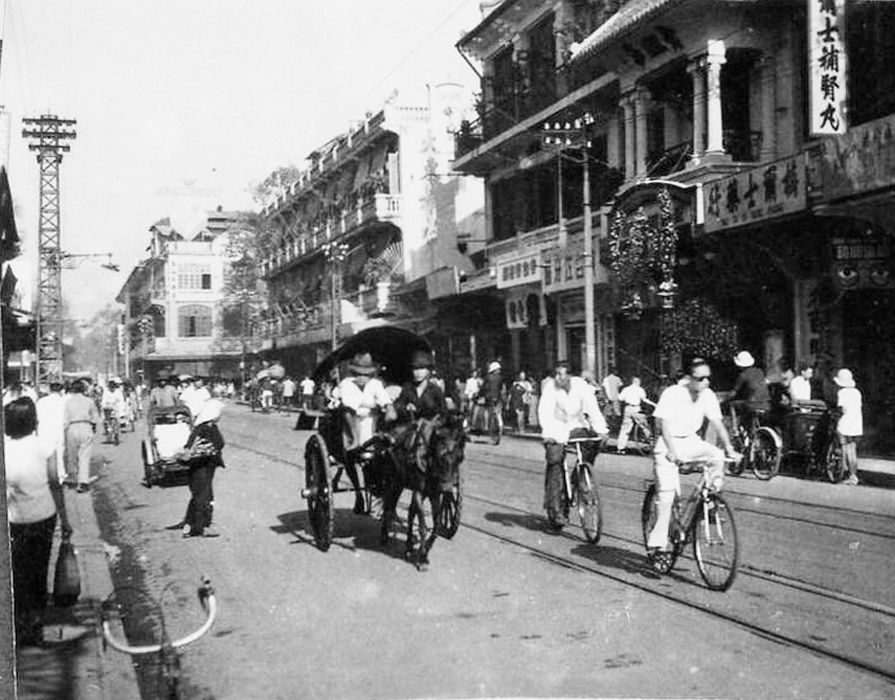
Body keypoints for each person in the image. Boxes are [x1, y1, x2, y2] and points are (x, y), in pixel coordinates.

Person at [645, 358, 740, 570]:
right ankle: (660, 545)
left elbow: (717, 422)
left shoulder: (707, 395)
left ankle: (711, 499)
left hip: (691, 441)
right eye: (700, 378)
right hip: (668, 445)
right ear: (689, 378)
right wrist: (672, 451)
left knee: (716, 454)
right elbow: (664, 427)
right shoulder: (672, 393)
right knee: (667, 498)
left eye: (708, 378)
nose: (705, 382)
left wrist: (730, 448)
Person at [5, 397, 72, 646]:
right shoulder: (45, 445)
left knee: (17, 571)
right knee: (39, 570)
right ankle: (35, 625)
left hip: (14, 520)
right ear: (34, 420)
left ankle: (20, 624)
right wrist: (65, 520)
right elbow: (55, 484)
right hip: (43, 516)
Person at [537, 360, 609, 531]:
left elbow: (592, 408)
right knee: (555, 461)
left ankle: (580, 477)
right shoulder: (550, 388)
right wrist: (549, 434)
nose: (559, 377)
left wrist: (602, 430)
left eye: (563, 374)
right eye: (557, 374)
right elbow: (544, 411)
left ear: (571, 375)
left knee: (593, 445)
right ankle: (556, 509)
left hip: (576, 426)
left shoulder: (581, 386)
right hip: (556, 428)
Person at [335, 352, 395, 513]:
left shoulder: (375, 384)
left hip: (372, 422)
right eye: (358, 374)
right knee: (347, 411)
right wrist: (368, 405)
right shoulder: (346, 384)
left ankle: (378, 487)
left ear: (371, 374)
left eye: (366, 375)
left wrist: (388, 408)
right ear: (353, 373)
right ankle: (358, 493)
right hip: (351, 424)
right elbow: (349, 405)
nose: (362, 378)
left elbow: (384, 399)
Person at [393, 350, 448, 471]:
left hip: (431, 427)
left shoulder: (435, 390)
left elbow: (444, 412)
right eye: (415, 369)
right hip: (411, 426)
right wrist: (405, 408)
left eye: (421, 369)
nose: (418, 373)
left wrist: (436, 424)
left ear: (428, 371)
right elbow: (398, 404)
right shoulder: (408, 388)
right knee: (396, 443)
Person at [178, 399, 226, 537]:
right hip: (201, 467)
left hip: (205, 466)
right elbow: (217, 444)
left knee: (199, 496)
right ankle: (200, 528)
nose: (220, 415)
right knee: (203, 496)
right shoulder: (205, 428)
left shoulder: (207, 427)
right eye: (219, 412)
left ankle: (188, 527)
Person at [64, 379, 100, 493]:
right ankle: (83, 482)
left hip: (72, 427)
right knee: (84, 455)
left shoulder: (68, 402)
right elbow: (95, 417)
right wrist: (93, 426)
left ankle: (72, 477)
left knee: (72, 455)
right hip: (85, 426)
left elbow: (65, 420)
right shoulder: (89, 401)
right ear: (84, 390)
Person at [729, 350, 771, 431]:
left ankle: (735, 429)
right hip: (766, 404)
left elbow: (734, 393)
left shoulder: (743, 375)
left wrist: (724, 399)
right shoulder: (760, 371)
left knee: (732, 405)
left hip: (752, 404)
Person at [833, 368, 862, 485]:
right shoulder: (857, 392)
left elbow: (842, 409)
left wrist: (836, 417)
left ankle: (848, 474)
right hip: (856, 424)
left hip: (845, 424)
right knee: (853, 450)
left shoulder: (842, 393)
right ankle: (853, 474)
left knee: (845, 449)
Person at [615, 376, 656, 453]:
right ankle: (652, 444)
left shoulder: (626, 389)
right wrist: (654, 404)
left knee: (625, 429)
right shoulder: (640, 390)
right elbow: (644, 399)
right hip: (636, 409)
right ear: (637, 382)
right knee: (645, 426)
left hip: (627, 409)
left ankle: (620, 448)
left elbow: (620, 398)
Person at [37, 382, 67, 484]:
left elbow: (37, 418)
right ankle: (60, 477)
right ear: (61, 391)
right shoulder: (64, 402)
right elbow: (66, 419)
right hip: (59, 430)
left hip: (44, 430)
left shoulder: (41, 401)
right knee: (59, 454)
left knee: (45, 454)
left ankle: (45, 477)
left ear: (49, 390)